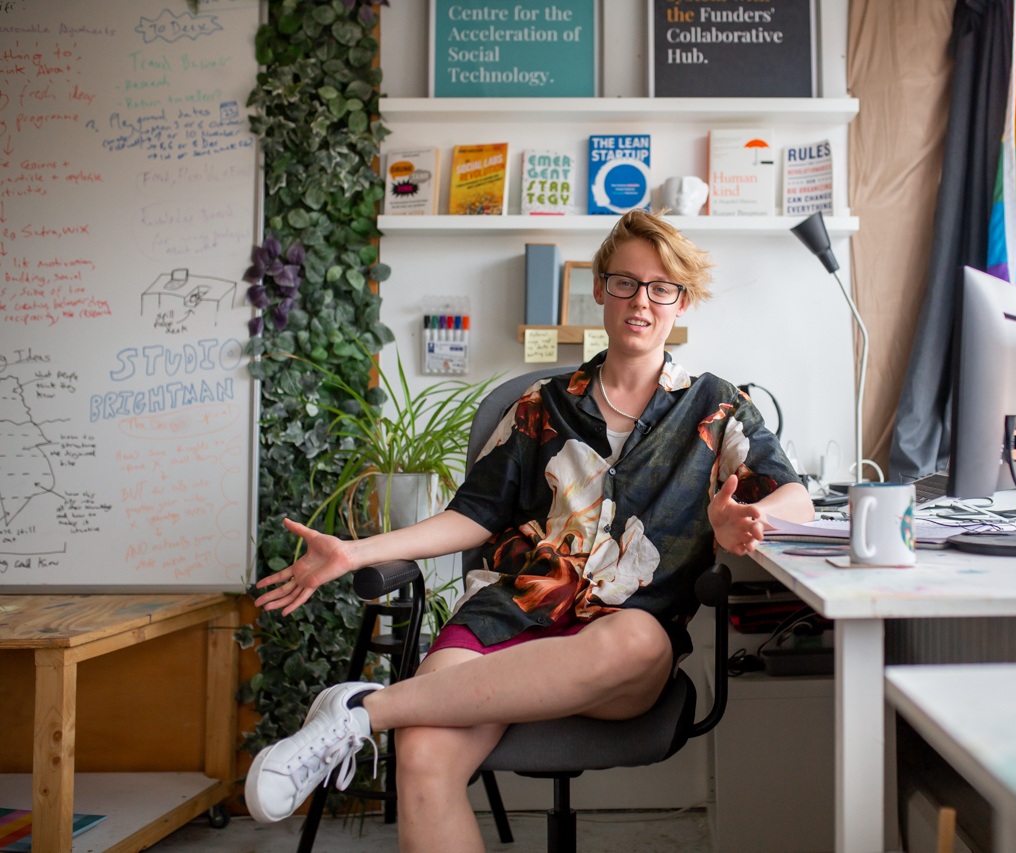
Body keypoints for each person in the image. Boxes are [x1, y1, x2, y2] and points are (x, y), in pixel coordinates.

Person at [244, 210, 814, 852]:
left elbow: (798, 499)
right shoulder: (540, 405)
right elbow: (472, 515)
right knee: (424, 752)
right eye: (625, 282)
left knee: (638, 643)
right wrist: (353, 552)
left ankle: (360, 713)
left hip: (620, 641)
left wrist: (749, 519)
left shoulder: (714, 405)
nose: (641, 301)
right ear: (599, 288)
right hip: (506, 617)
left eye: (661, 287)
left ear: (681, 301)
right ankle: (373, 716)